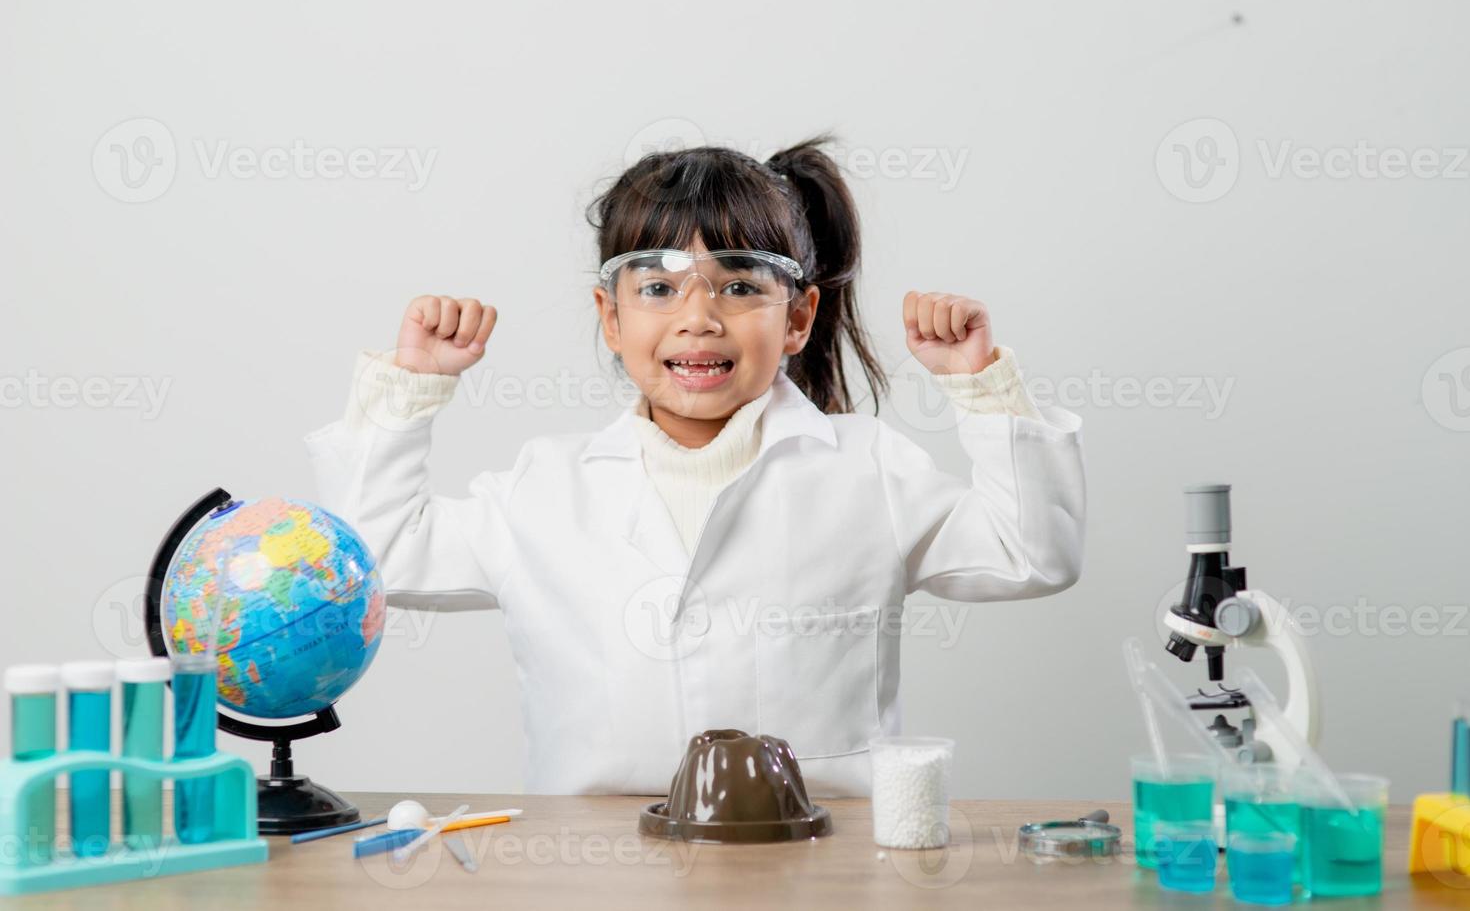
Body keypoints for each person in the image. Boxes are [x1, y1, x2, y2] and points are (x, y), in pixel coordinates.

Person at [305, 137, 1085, 797]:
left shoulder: (867, 471)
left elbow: (1032, 553)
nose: (699, 317)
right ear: (610, 316)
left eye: (741, 285)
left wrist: (979, 386)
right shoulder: (546, 489)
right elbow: (377, 555)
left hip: (822, 867)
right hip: (595, 874)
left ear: (799, 318)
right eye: (657, 287)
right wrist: (413, 387)